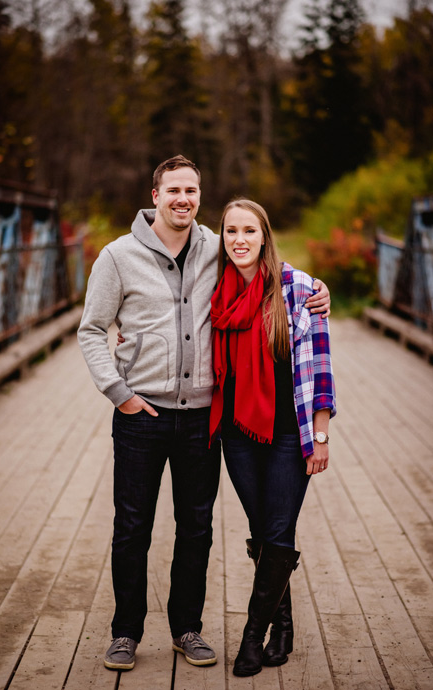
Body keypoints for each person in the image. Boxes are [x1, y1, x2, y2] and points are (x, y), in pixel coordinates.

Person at [77, 155, 330, 672]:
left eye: (191, 191)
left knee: (196, 528)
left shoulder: (216, 249)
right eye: (173, 191)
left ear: (199, 197)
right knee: (132, 527)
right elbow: (91, 330)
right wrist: (118, 392)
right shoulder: (117, 257)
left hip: (203, 417)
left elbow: (263, 264)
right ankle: (125, 632)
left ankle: (186, 628)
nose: (183, 199)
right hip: (140, 415)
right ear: (155, 195)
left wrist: (318, 290)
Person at [209, 199, 334, 676]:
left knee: (278, 531)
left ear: (264, 236)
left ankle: (250, 638)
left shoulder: (298, 288)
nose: (239, 240)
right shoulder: (213, 292)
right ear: (221, 238)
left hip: (289, 433)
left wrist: (320, 434)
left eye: (249, 231)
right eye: (230, 231)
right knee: (264, 532)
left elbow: (320, 367)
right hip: (237, 434)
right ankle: (283, 624)